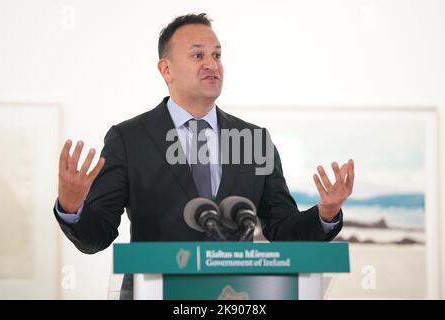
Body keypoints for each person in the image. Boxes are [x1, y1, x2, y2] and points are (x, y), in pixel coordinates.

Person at [54, 13, 355, 298]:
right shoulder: (129, 138)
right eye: (198, 55)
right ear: (166, 69)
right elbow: (97, 236)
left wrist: (325, 214)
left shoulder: (254, 139)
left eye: (217, 55)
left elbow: (283, 229)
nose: (212, 64)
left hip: (237, 299)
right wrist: (72, 205)